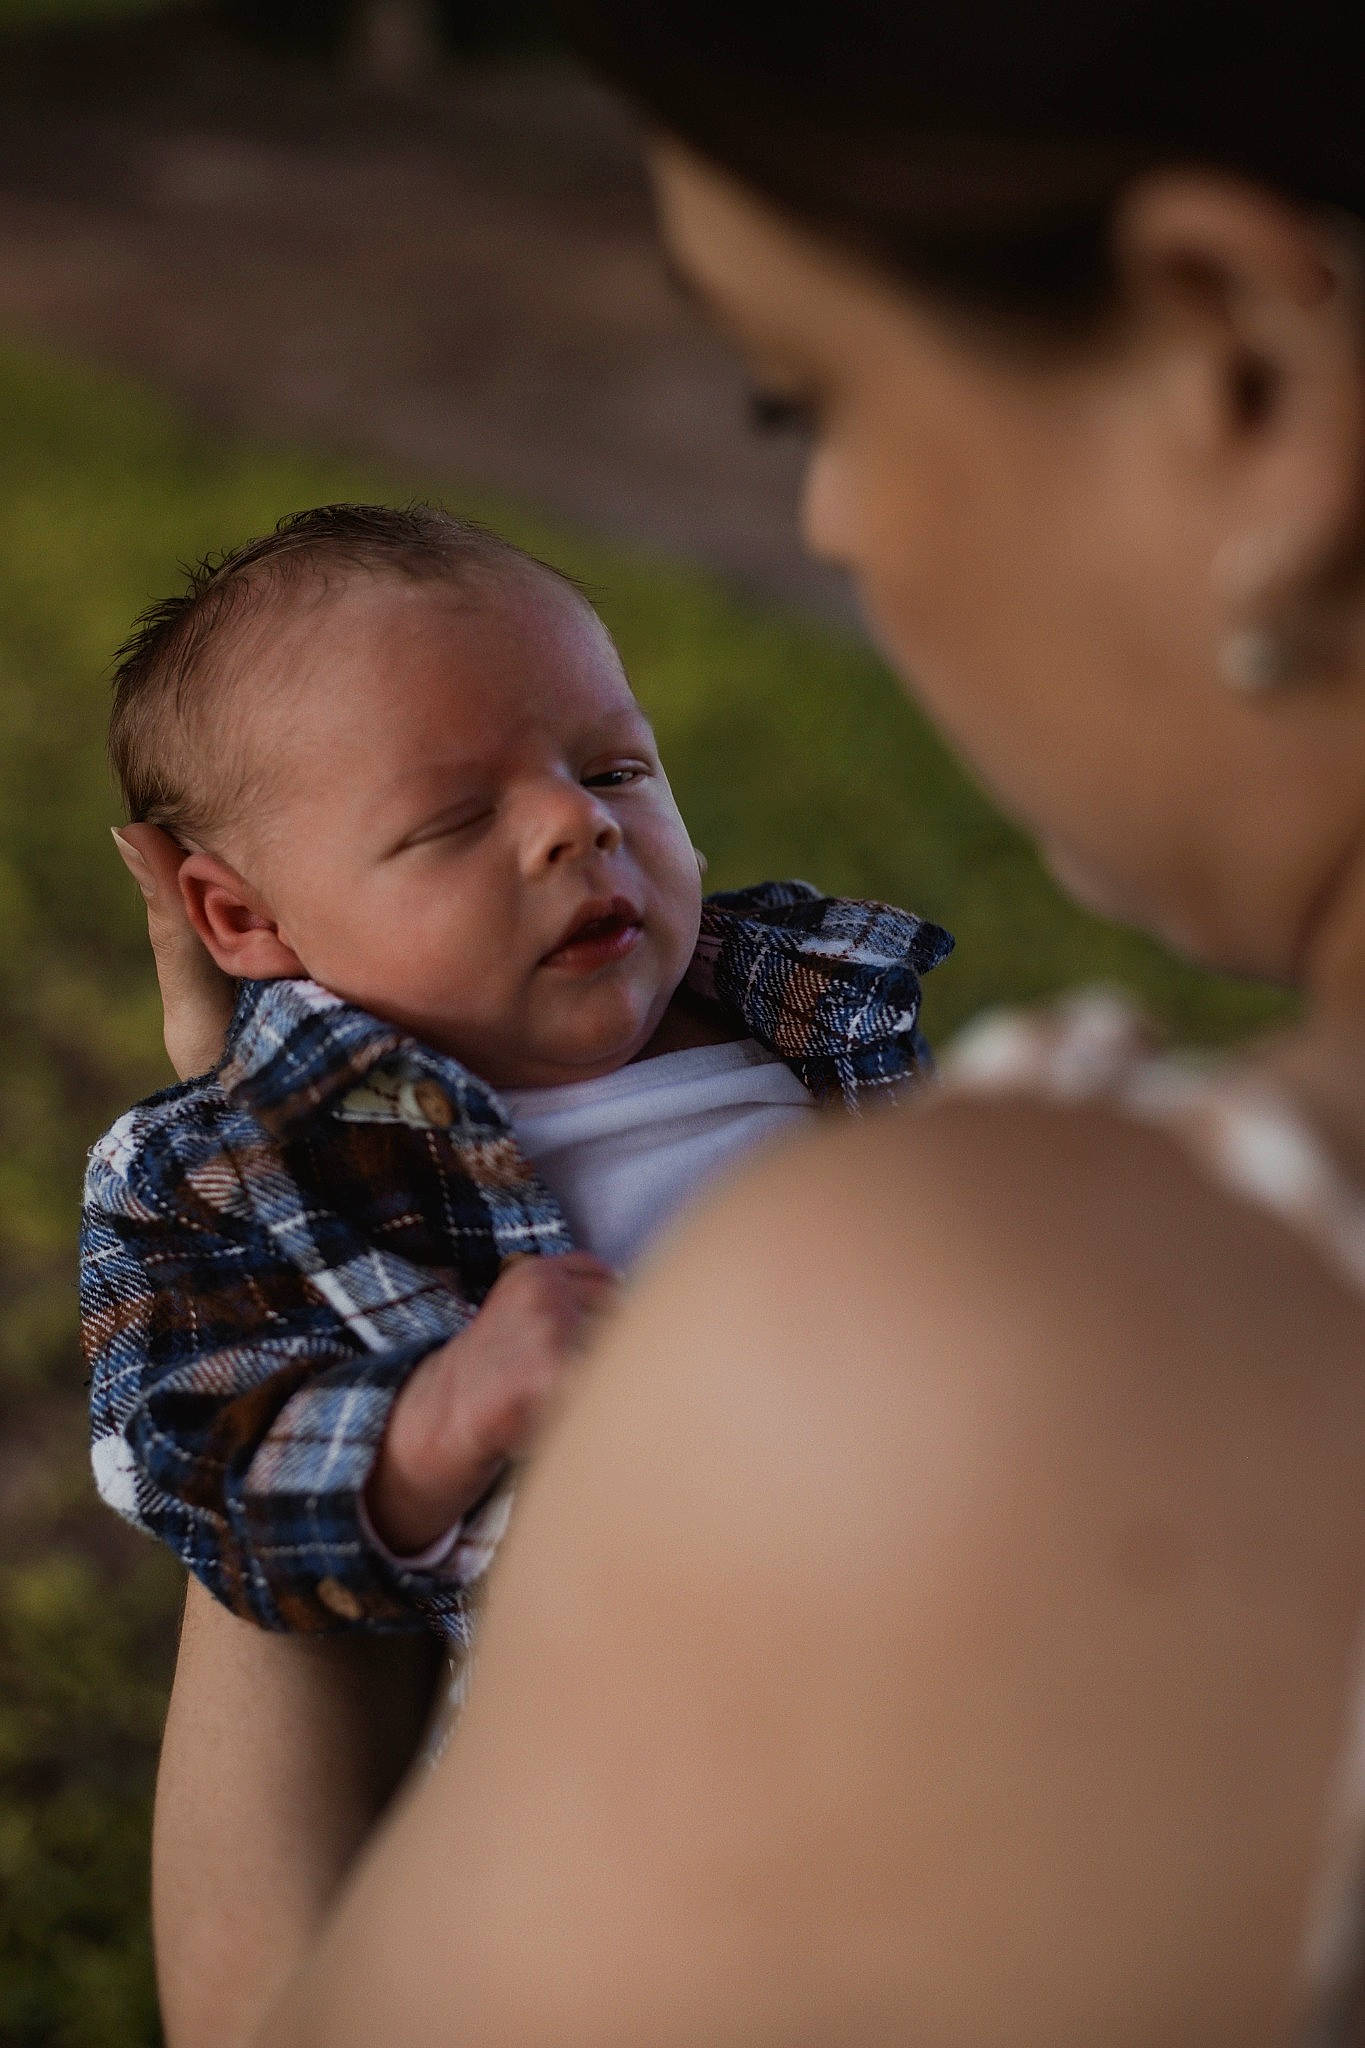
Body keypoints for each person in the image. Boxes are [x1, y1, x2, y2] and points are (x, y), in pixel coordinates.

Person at [112, 2, 1365, 2043]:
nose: (834, 524)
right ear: (245, 911)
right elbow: (201, 1430)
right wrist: (291, 1203)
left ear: (1236, 363)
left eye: (807, 398)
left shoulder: (954, 1337)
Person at [85, 501, 946, 1641]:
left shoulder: (810, 1005)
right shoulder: (239, 1164)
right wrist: (434, 1422)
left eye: (615, 767)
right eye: (453, 817)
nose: (576, 823)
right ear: (242, 916)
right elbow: (186, 1461)